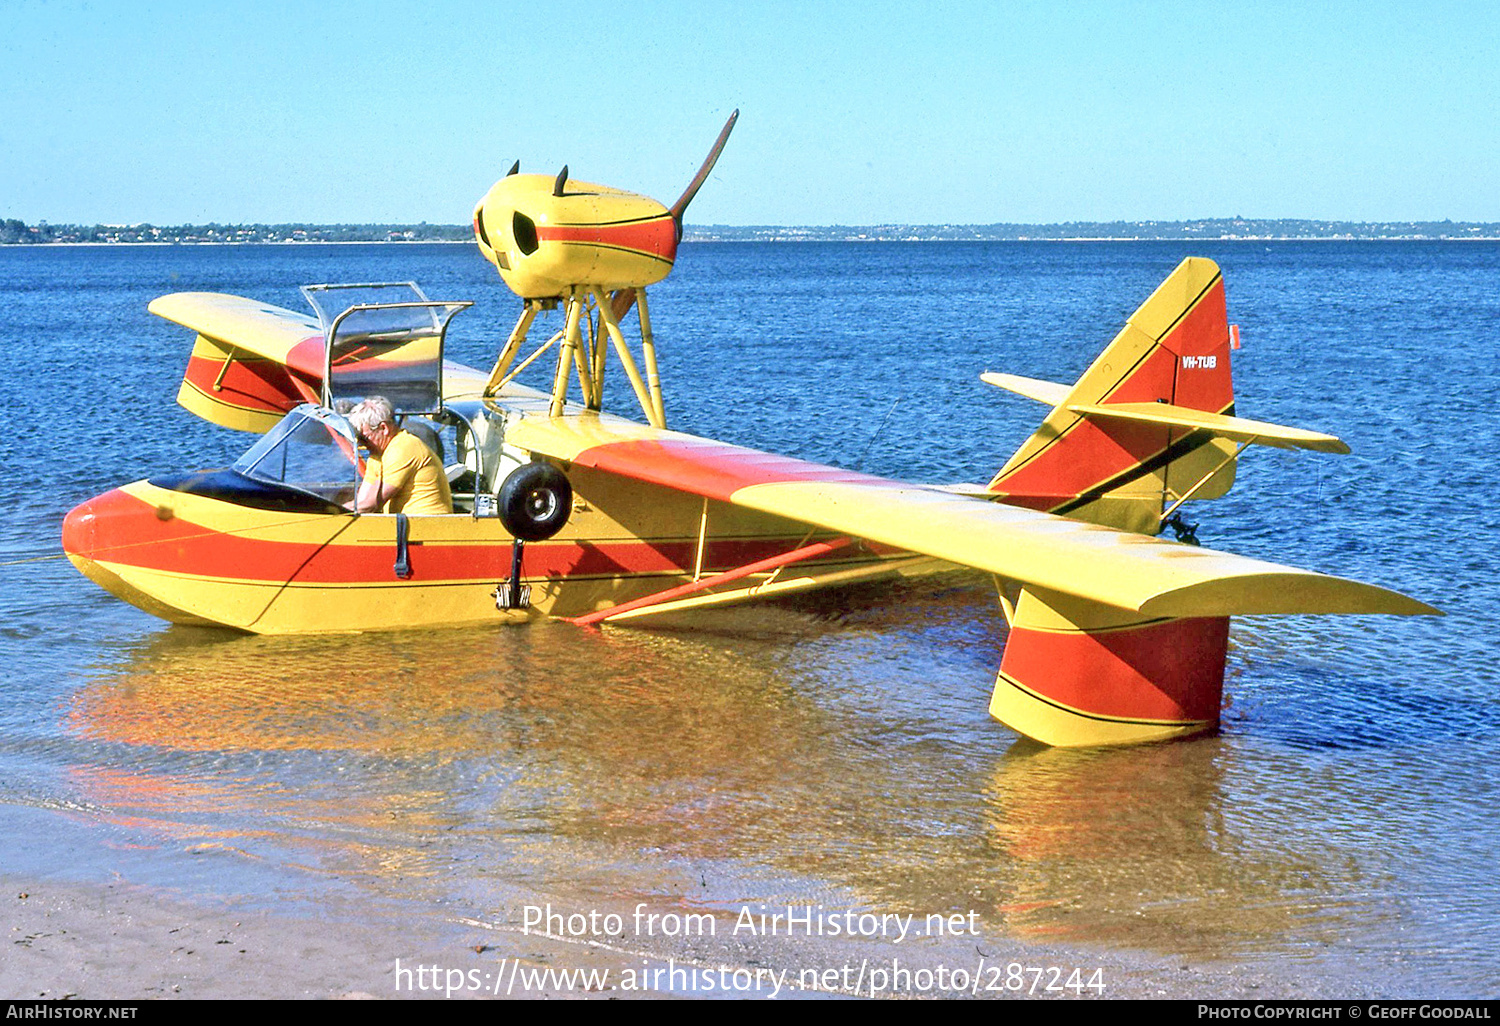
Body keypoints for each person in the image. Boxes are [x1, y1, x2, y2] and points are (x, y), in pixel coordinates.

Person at [345, 396, 453, 515]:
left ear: (383, 428)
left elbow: (372, 504)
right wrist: (333, 509)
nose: (361, 444)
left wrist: (335, 512)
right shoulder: (377, 455)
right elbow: (362, 501)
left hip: (430, 524)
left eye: (364, 438)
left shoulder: (403, 448)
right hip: (403, 524)